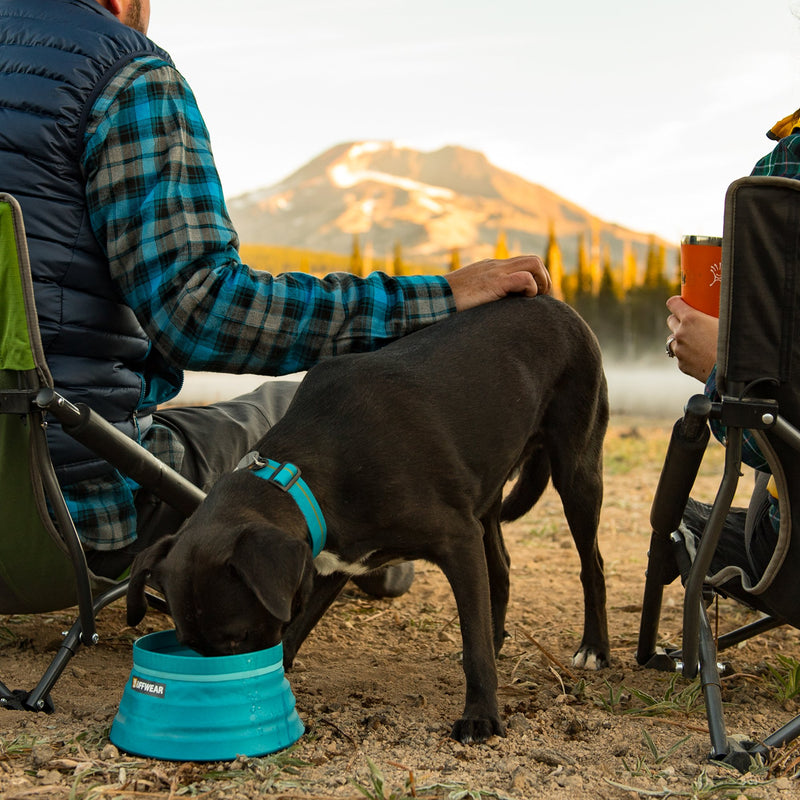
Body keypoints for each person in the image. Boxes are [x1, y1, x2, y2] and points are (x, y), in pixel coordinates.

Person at [0, 0, 552, 582]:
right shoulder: (126, 80)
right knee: (311, 407)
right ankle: (374, 558)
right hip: (70, 517)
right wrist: (438, 297)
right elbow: (204, 313)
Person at [663, 108, 800, 588]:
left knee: (677, 518)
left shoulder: (788, 164)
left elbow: (770, 444)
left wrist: (721, 369)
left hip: (790, 554)